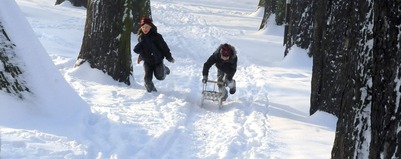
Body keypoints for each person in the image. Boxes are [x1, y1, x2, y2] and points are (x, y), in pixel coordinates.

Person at [134, 17, 175, 92]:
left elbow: (164, 47)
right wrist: (140, 56)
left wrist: (169, 57)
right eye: (143, 27)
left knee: (160, 77)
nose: (144, 29)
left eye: (146, 27)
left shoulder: (157, 37)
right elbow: (143, 49)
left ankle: (165, 69)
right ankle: (153, 93)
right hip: (147, 62)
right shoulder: (141, 37)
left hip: (157, 61)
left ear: (150, 26)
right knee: (147, 79)